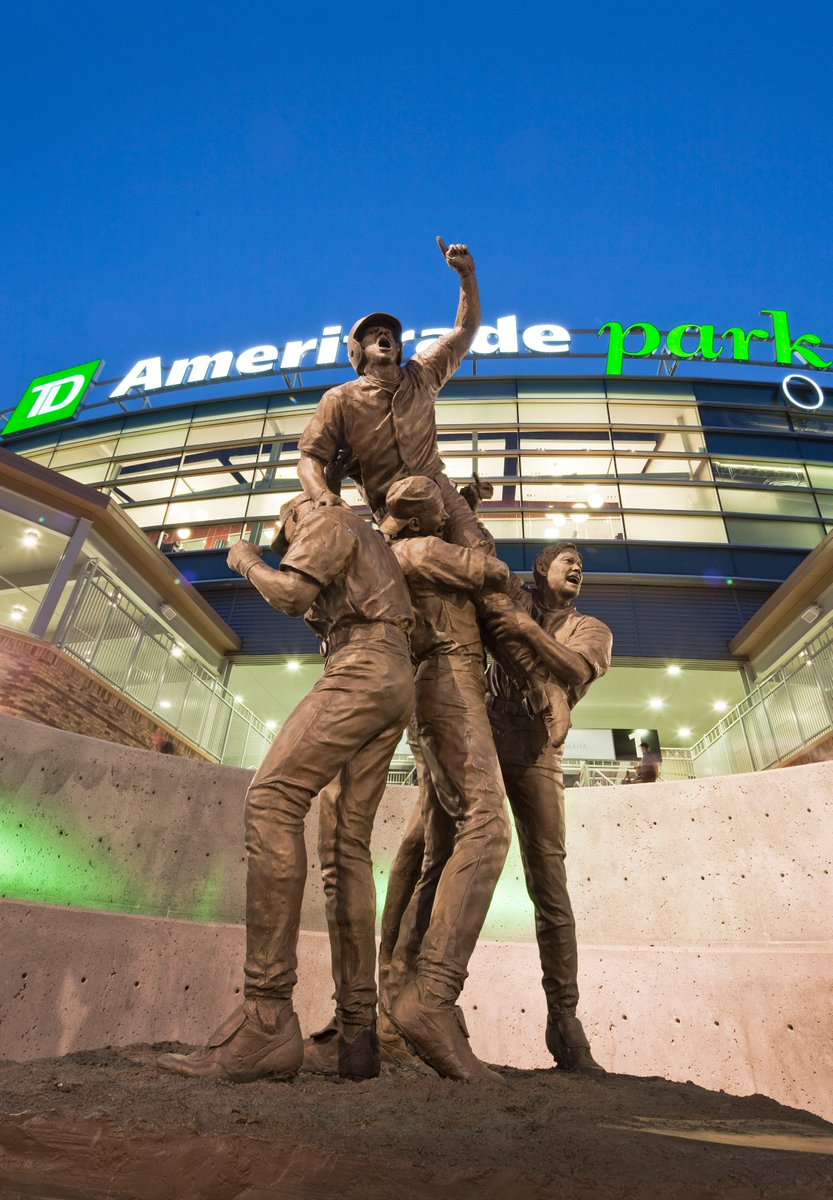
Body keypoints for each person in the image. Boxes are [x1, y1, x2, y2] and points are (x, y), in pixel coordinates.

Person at [157, 493, 415, 1083]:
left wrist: (247, 560)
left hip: (363, 666)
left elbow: (290, 593)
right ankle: (357, 1038)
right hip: (395, 676)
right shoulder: (369, 547)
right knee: (346, 850)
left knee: (273, 797)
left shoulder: (325, 517)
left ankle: (266, 1019)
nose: (287, 536)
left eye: (286, 527)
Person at [307, 477, 511, 1083]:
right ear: (428, 516)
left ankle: (398, 989)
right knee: (489, 826)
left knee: (430, 840)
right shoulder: (418, 551)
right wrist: (461, 514)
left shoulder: (384, 550)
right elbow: (495, 572)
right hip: (446, 678)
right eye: (445, 509)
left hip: (442, 680)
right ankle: (433, 994)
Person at [484, 542, 612, 1072]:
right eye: (567, 560)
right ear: (540, 569)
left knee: (550, 885)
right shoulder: (512, 595)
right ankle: (423, 997)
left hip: (538, 751)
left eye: (580, 564)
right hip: (484, 741)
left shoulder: (593, 627)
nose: (577, 567)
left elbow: (575, 670)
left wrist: (525, 631)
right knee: (437, 857)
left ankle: (564, 1019)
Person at [296, 237, 492, 552]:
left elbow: (464, 331)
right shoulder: (340, 399)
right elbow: (309, 458)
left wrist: (467, 276)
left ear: (399, 348)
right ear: (357, 351)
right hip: (393, 510)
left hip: (439, 492)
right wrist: (323, 496)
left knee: (480, 553)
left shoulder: (422, 373)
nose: (384, 335)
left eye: (389, 334)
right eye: (373, 334)